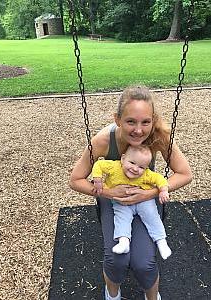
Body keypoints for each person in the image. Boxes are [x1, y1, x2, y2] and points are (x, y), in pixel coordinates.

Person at [69, 86, 192, 300]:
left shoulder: (159, 136)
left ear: (152, 120)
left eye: (145, 121)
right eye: (130, 121)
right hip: (114, 199)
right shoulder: (103, 141)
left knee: (144, 263)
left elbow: (184, 174)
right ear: (117, 119)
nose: (138, 130)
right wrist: (108, 192)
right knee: (116, 259)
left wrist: (150, 194)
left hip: (146, 198)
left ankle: (152, 297)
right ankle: (112, 294)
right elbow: (75, 180)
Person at [92, 144, 171, 259]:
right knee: (121, 218)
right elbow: (98, 165)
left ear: (146, 168)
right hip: (121, 201)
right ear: (123, 159)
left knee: (152, 216)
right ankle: (124, 242)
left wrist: (163, 190)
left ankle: (161, 241)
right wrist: (97, 180)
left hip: (144, 201)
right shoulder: (114, 167)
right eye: (132, 163)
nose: (135, 169)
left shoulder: (146, 174)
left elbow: (159, 178)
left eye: (141, 167)